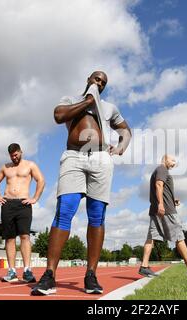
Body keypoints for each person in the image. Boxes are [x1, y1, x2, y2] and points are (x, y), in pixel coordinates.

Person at [31, 71, 131, 296]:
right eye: (97, 79)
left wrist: (122, 147)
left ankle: (91, 275)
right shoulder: (70, 99)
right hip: (74, 156)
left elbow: (126, 130)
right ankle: (49, 275)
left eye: (103, 82)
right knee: (64, 210)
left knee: (97, 215)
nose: (100, 83)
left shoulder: (109, 108)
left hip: (100, 159)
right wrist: (88, 100)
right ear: (88, 79)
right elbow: (58, 116)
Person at [138, 154, 187, 278]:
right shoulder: (162, 169)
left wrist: (172, 200)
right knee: (179, 237)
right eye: (172, 160)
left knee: (151, 237)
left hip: (156, 210)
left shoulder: (159, 170)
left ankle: (144, 266)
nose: (174, 163)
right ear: (165, 159)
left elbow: (162, 189)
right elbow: (159, 185)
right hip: (166, 211)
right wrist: (161, 204)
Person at [0, 143, 45, 282]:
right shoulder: (6, 167)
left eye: (16, 155)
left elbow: (41, 180)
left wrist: (35, 198)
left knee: (25, 236)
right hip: (7, 204)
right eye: (12, 156)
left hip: (23, 204)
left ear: (20, 152)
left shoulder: (30, 165)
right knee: (9, 238)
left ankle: (27, 271)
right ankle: (12, 271)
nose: (14, 157)